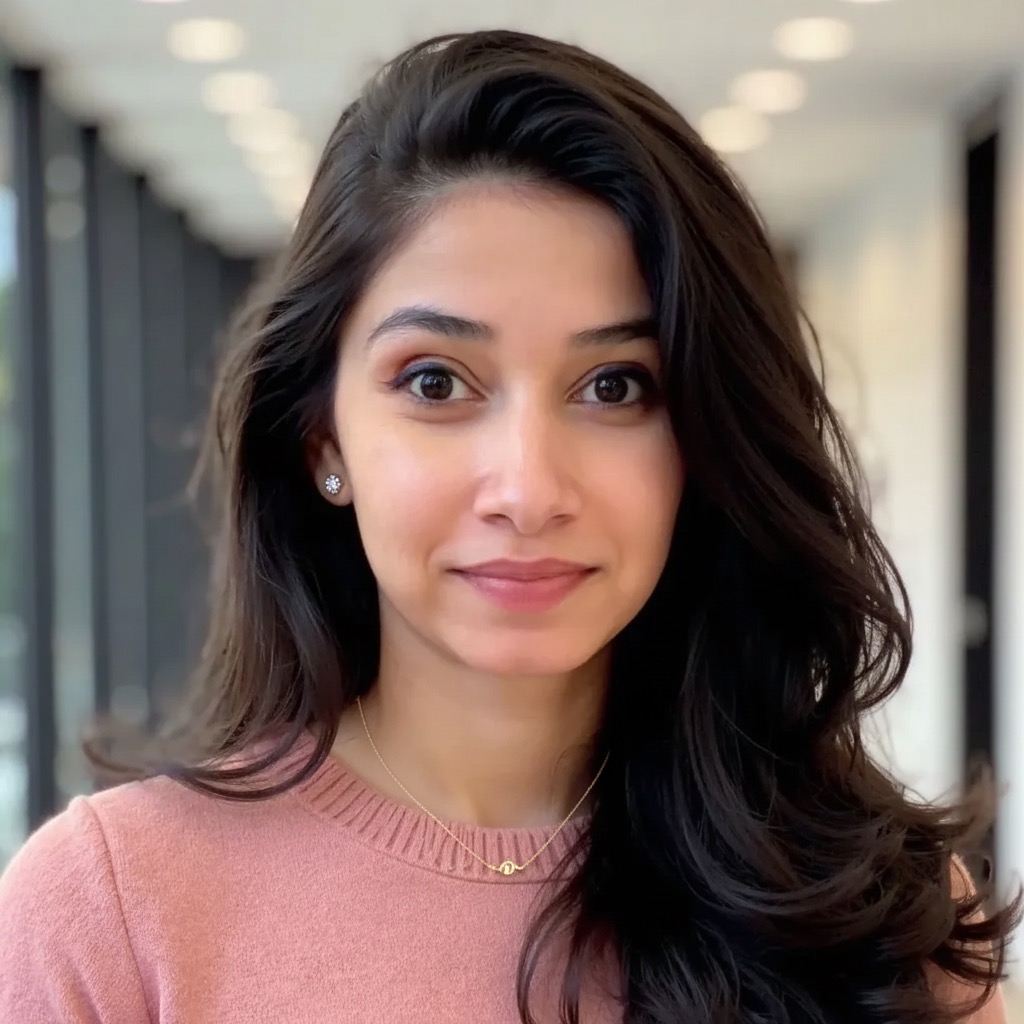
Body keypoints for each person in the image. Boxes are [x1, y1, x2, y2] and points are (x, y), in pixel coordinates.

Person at [0, 28, 1018, 1024]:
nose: (527, 489)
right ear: (321, 439)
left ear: (704, 443)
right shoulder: (111, 914)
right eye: (436, 382)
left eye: (615, 385)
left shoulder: (873, 914)